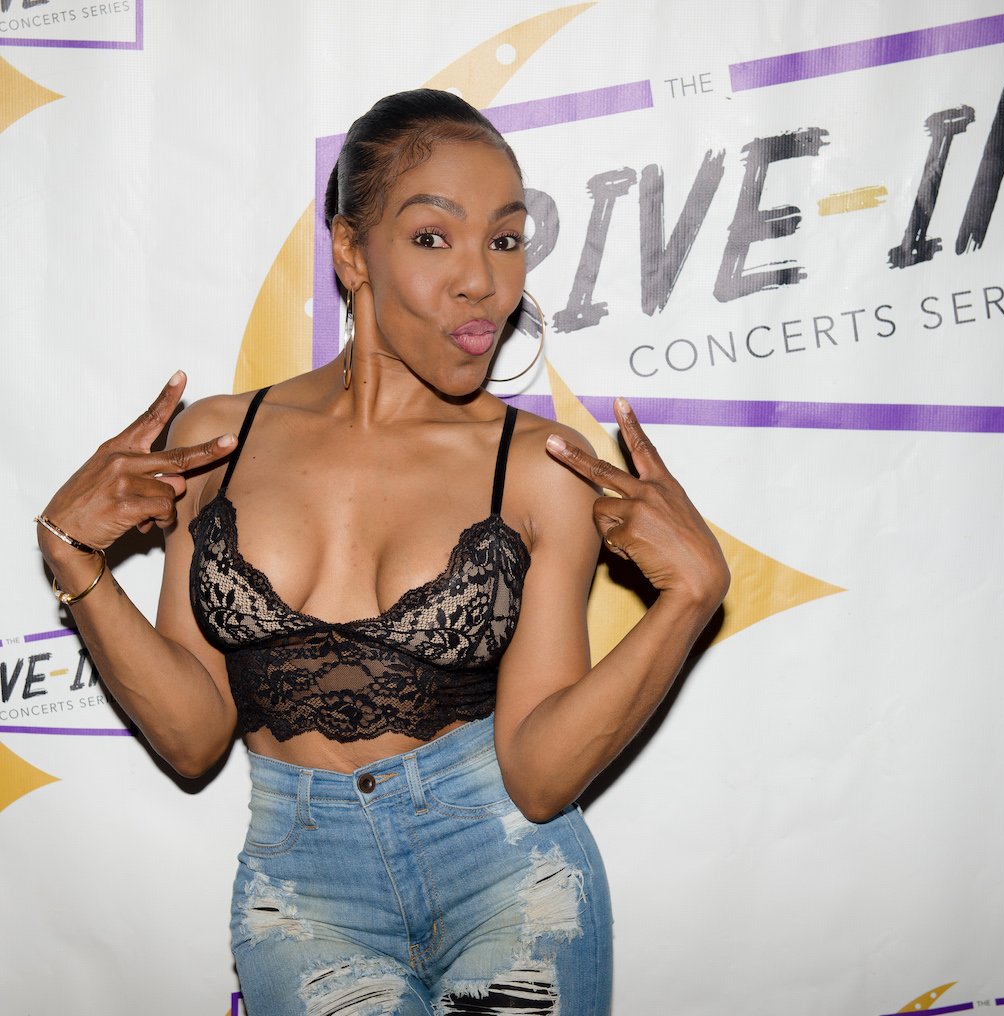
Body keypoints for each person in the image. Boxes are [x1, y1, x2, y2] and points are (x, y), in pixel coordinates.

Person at [35, 89, 728, 1015]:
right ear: (351, 250)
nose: (481, 281)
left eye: (506, 239)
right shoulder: (217, 442)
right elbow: (195, 736)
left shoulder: (539, 466)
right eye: (433, 237)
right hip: (303, 896)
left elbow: (538, 776)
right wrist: (74, 560)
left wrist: (691, 597)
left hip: (511, 875)